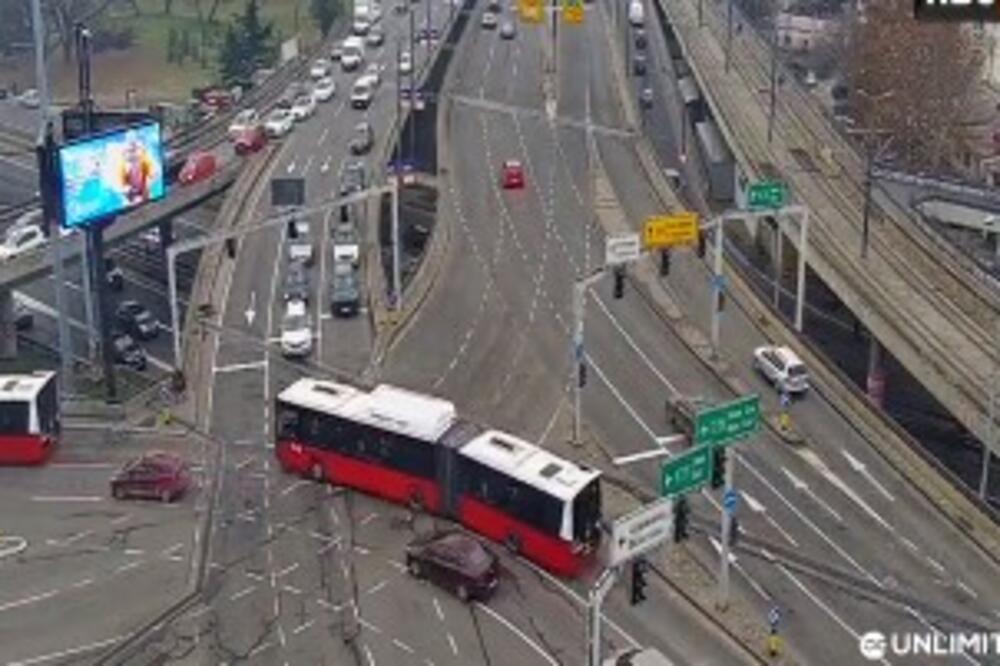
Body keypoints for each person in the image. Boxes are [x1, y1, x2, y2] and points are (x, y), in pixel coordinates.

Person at [118, 130, 155, 204]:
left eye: (135, 149)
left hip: (143, 187)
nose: (133, 154)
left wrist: (148, 182)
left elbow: (153, 174)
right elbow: (122, 187)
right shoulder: (123, 167)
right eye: (130, 151)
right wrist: (129, 190)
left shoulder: (145, 160)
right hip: (131, 191)